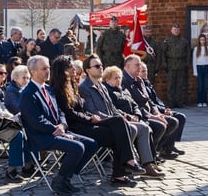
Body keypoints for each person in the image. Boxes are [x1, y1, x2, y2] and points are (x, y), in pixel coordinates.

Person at [49, 55, 143, 186]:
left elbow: (81, 109)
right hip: (76, 127)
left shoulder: (72, 84)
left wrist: (89, 117)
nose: (75, 69)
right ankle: (122, 172)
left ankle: (125, 168)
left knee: (119, 122)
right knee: (117, 133)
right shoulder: (58, 89)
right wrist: (89, 118)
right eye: (70, 67)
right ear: (62, 70)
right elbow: (68, 113)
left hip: (85, 121)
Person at [19, 56, 98, 195]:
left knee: (91, 144)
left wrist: (62, 125)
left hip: (58, 131)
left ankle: (66, 176)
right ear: (33, 71)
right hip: (41, 136)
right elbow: (37, 121)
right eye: (44, 69)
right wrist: (57, 130)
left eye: (48, 68)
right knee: (78, 147)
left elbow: (60, 111)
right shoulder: (28, 93)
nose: (48, 71)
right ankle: (59, 180)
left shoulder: (48, 89)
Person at [139, 61, 187, 157]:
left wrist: (165, 108)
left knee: (181, 117)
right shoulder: (140, 84)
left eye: (146, 71)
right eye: (143, 71)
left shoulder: (147, 83)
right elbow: (149, 103)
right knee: (173, 120)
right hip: (152, 112)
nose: (146, 73)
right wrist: (162, 111)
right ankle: (163, 149)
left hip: (159, 109)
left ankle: (170, 145)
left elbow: (156, 100)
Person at [161, 23, 191, 108]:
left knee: (180, 84)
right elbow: (163, 53)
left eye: (177, 29)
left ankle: (179, 102)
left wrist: (187, 63)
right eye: (174, 29)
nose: (176, 31)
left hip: (181, 65)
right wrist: (164, 63)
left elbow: (188, 53)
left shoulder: (184, 41)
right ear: (171, 30)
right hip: (171, 65)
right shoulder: (167, 40)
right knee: (171, 85)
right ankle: (171, 102)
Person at [192, 34, 208, 107]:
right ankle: (199, 101)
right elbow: (194, 61)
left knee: (205, 86)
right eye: (201, 40)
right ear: (199, 40)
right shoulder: (196, 49)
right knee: (200, 85)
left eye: (203, 40)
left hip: (206, 68)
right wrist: (195, 71)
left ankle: (204, 101)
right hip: (199, 68)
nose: (202, 41)